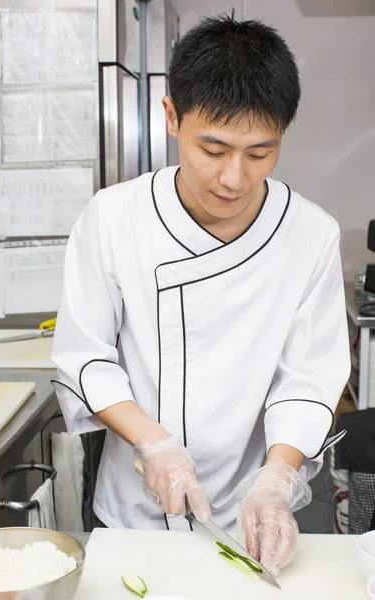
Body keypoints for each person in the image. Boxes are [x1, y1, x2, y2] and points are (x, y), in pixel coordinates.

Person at [52, 15, 350, 576]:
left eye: (261, 153)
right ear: (172, 117)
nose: (234, 178)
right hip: (133, 514)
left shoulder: (311, 233)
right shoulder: (115, 218)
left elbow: (309, 377)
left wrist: (279, 478)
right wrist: (156, 448)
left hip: (249, 511)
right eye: (213, 148)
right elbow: (85, 356)